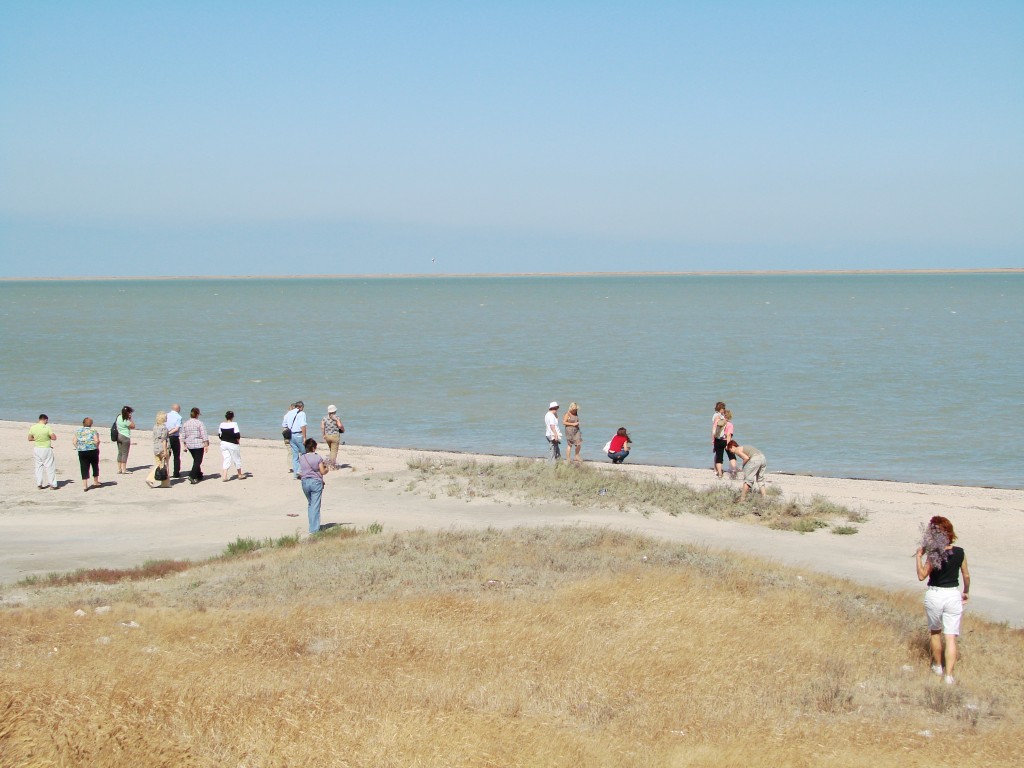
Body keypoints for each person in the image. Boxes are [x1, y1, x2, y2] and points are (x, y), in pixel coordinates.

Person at [916, 516, 971, 685]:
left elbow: (921, 575)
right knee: (951, 636)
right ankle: (949, 675)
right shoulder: (960, 552)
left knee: (935, 632)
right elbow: (966, 575)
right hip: (952, 594)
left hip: (935, 593)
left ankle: (938, 666)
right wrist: (966, 591)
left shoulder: (934, 554)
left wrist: (919, 556)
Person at [298, 437, 328, 534]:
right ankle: (314, 529)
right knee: (315, 505)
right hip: (315, 482)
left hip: (305, 482)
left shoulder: (302, 458)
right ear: (314, 448)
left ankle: (312, 525)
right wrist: (327, 469)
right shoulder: (318, 457)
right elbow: (322, 471)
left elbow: (300, 472)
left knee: (310, 504)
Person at [28, 414, 58, 489]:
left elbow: (29, 438)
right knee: (49, 466)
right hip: (46, 448)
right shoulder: (47, 427)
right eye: (47, 420)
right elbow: (54, 437)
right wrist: (47, 438)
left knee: (38, 466)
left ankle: (39, 483)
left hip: (37, 448)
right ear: (45, 419)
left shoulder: (33, 427)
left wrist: (37, 439)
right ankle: (53, 484)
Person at [181, 407, 209, 484]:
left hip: (190, 444)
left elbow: (183, 436)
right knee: (198, 461)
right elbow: (204, 434)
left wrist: (184, 445)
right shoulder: (199, 423)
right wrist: (206, 444)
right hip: (198, 444)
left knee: (196, 460)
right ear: (197, 414)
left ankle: (199, 474)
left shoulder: (186, 423)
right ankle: (192, 475)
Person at [73, 417, 102, 491]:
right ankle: (95, 481)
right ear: (91, 424)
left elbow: (74, 442)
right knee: (95, 465)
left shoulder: (78, 431)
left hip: (82, 451)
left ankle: (85, 485)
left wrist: (78, 448)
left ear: (83, 423)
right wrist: (97, 447)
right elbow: (96, 440)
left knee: (84, 467)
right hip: (92, 450)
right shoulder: (93, 431)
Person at [282, 401, 307, 477]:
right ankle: (300, 470)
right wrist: (305, 437)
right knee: (303, 453)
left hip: (291, 435)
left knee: (295, 455)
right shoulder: (302, 413)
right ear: (301, 407)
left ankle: (295, 474)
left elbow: (284, 424)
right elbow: (303, 425)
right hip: (298, 434)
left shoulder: (289, 413)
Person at [146, 411, 170, 489]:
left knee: (159, 464)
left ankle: (165, 483)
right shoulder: (164, 428)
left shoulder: (155, 426)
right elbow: (164, 440)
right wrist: (165, 450)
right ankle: (151, 478)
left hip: (156, 447)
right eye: (165, 417)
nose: (167, 418)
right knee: (164, 465)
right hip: (162, 448)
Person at [219, 410, 244, 481]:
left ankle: (224, 476)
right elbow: (237, 435)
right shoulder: (234, 424)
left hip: (223, 443)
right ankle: (239, 474)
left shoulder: (222, 424)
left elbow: (220, 435)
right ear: (232, 417)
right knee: (236, 458)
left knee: (226, 458)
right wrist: (238, 442)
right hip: (232, 444)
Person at [321, 405, 345, 469]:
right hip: (335, 436)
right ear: (334, 411)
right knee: (334, 451)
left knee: (331, 450)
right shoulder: (337, 418)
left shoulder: (324, 418)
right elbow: (340, 426)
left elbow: (322, 427)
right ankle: (332, 465)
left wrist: (323, 435)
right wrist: (343, 429)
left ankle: (330, 463)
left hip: (327, 436)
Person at [115, 405, 136, 474]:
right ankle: (124, 469)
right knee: (125, 453)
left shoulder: (118, 417)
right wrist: (130, 419)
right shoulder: (126, 420)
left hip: (119, 435)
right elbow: (133, 426)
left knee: (120, 452)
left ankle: (119, 468)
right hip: (125, 436)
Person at [712, 401, 730, 478]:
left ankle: (716, 469)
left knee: (717, 453)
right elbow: (715, 427)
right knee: (718, 454)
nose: (724, 410)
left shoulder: (718, 415)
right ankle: (717, 470)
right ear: (721, 408)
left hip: (718, 437)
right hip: (719, 437)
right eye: (724, 408)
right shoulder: (717, 416)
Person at [166, 404, 183, 479]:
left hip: (166, 437)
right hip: (174, 437)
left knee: (167, 455)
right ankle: (176, 473)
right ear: (178, 409)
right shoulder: (179, 417)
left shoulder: (166, 415)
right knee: (176, 455)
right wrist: (169, 433)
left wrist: (166, 433)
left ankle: (166, 471)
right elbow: (176, 429)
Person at [722, 409, 737, 478]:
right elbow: (728, 435)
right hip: (726, 441)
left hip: (719, 440)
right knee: (732, 456)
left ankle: (716, 469)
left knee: (718, 455)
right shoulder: (730, 424)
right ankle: (733, 470)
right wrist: (728, 444)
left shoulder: (720, 423)